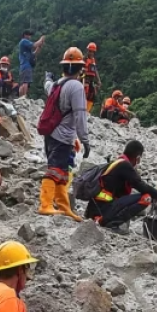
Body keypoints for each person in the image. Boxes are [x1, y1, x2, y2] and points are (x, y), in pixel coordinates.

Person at [38, 47, 89, 222]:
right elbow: (80, 114)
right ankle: (45, 204)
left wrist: (47, 78)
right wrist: (85, 139)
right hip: (63, 135)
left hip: (51, 133)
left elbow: (47, 87)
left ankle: (63, 205)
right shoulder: (76, 86)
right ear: (80, 68)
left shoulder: (58, 84)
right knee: (55, 169)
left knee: (62, 172)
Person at [84, 140, 157, 233]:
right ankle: (111, 223)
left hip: (95, 209)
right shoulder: (124, 165)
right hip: (102, 211)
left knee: (135, 197)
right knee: (146, 197)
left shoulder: (118, 162)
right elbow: (140, 185)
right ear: (138, 157)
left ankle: (106, 219)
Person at [18, 30, 45, 97]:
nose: (30, 37)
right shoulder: (24, 41)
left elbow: (35, 54)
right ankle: (24, 97)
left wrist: (40, 46)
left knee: (24, 83)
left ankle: (21, 97)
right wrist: (41, 38)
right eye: (29, 35)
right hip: (25, 65)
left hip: (26, 66)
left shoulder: (27, 49)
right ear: (25, 35)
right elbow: (34, 45)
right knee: (25, 82)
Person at [82, 42, 102, 113]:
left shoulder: (93, 60)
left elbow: (95, 70)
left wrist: (99, 80)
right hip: (85, 77)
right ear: (88, 51)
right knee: (85, 92)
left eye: (92, 52)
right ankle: (81, 108)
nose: (91, 53)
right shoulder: (84, 59)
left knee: (92, 94)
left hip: (91, 79)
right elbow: (79, 68)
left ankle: (87, 111)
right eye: (90, 51)